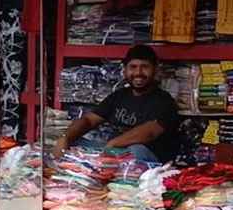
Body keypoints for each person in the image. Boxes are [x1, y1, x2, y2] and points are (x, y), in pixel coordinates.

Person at [52, 44, 180, 164]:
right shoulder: (119, 96)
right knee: (74, 143)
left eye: (145, 67)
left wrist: (112, 144)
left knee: (136, 150)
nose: (138, 73)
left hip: (146, 158)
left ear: (155, 70)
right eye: (133, 67)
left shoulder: (164, 101)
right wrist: (66, 137)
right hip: (115, 152)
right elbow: (89, 120)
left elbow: (149, 132)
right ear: (125, 70)